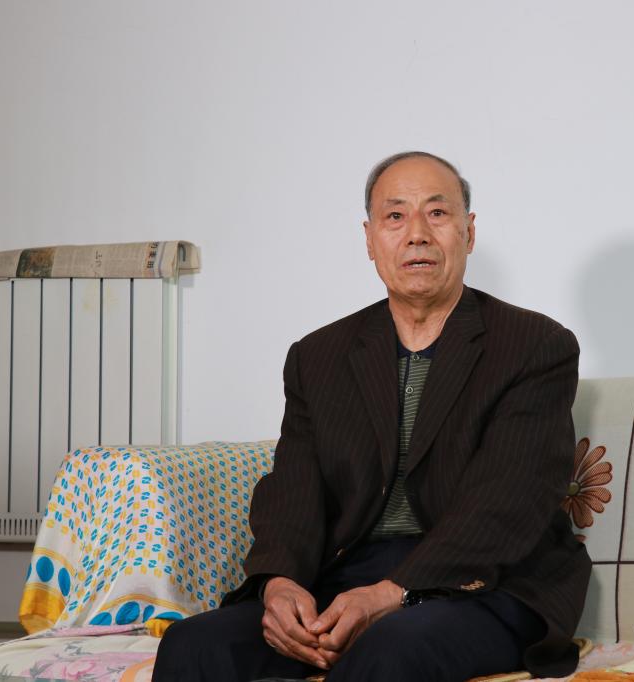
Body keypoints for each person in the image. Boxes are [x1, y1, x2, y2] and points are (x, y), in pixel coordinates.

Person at [153, 151, 591, 681]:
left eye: (438, 213)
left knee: (390, 651)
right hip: (349, 579)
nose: (417, 234)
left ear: (469, 232)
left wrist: (390, 594)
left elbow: (506, 503)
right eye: (395, 216)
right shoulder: (318, 356)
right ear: (370, 239)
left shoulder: (535, 346)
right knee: (194, 645)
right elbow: (293, 489)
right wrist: (280, 584)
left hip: (489, 584)